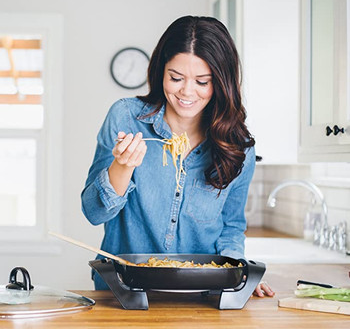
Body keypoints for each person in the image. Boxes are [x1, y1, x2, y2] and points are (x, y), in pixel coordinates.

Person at [81, 15, 274, 297]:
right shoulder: (126, 117)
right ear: (161, 72)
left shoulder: (238, 145)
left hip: (202, 295)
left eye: (202, 82)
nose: (186, 92)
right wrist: (121, 167)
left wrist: (239, 274)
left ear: (221, 82)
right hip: (125, 291)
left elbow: (231, 227)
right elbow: (93, 213)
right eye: (176, 78)